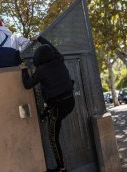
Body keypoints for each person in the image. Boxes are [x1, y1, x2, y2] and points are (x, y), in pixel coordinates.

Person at [21, 36, 74, 172]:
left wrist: (23, 70)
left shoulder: (42, 70)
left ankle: (61, 168)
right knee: (53, 116)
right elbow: (52, 47)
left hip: (57, 107)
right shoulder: (59, 59)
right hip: (70, 102)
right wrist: (40, 38)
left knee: (52, 137)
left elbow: (27, 85)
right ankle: (47, 112)